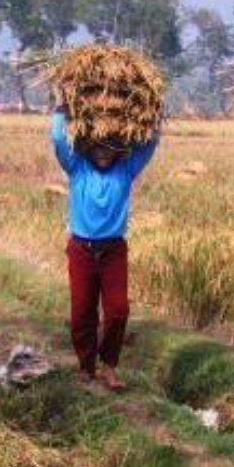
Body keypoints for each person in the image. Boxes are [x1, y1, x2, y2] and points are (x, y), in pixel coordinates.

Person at [51, 105, 159, 391]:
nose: (103, 152)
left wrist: (152, 112)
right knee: (82, 312)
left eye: (109, 147)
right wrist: (61, 109)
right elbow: (59, 140)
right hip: (81, 250)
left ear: (118, 150)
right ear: (89, 146)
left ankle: (109, 366)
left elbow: (150, 144)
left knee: (117, 311)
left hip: (113, 251)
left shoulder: (126, 170)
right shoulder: (77, 168)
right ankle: (86, 367)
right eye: (98, 146)